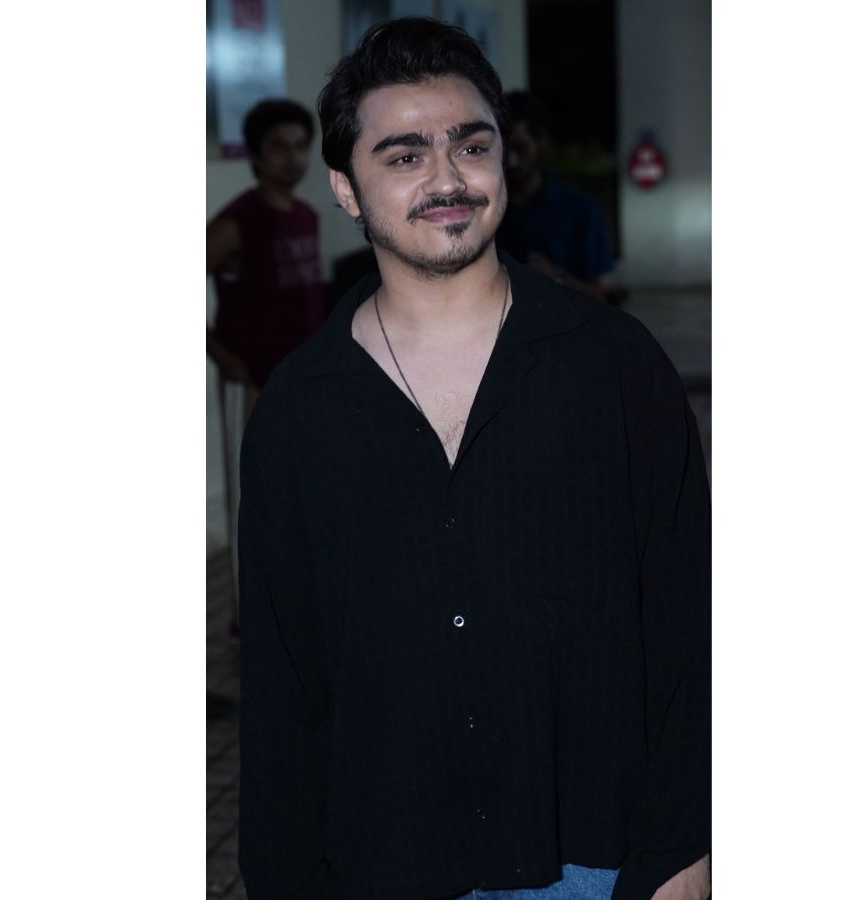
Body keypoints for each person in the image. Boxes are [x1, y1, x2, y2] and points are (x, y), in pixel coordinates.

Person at [238, 18, 710, 900]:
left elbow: (691, 617)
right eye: (404, 155)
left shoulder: (614, 367)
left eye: (471, 144)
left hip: (598, 857)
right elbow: (281, 677)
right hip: (384, 858)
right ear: (346, 188)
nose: (448, 178)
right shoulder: (300, 411)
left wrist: (687, 843)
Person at [206, 98, 326, 631]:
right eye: (279, 147)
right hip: (251, 381)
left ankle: (290, 608)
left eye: (300, 146)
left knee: (294, 497)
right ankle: (246, 618)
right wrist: (223, 356)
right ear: (255, 156)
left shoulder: (306, 216)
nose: (292, 158)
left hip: (300, 384)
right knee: (249, 499)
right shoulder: (238, 220)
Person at [497, 90, 615, 300]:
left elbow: (599, 294)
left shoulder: (579, 210)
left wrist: (555, 276)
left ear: (540, 140)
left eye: (520, 148)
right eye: (503, 151)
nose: (512, 161)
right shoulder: (489, 209)